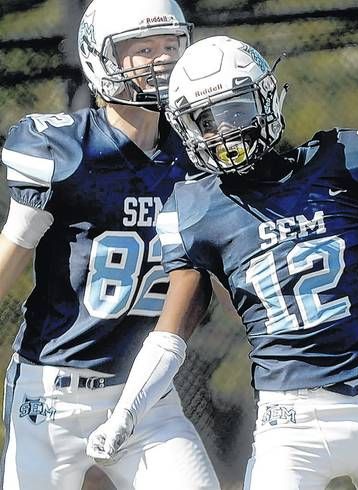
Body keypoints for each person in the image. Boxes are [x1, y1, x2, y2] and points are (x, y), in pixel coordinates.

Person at [85, 35, 358, 490]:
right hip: (288, 424)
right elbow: (169, 335)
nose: (225, 131)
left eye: (235, 110)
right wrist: (125, 415)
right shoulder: (196, 208)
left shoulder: (347, 161)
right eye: (206, 120)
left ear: (267, 97)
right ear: (185, 127)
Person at [0, 0, 220, 488]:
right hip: (52, 392)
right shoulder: (62, 148)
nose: (162, 60)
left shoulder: (200, 154)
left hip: (148, 396)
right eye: (142, 50)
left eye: (170, 46)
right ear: (100, 58)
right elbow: (12, 251)